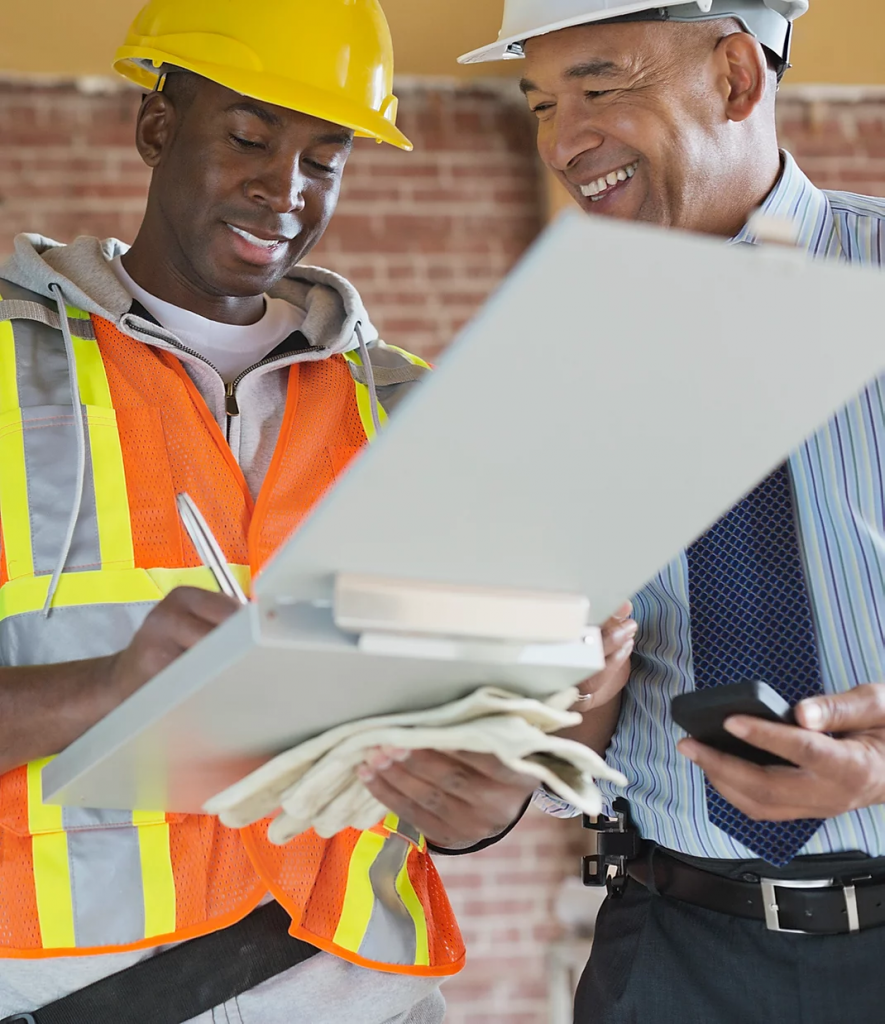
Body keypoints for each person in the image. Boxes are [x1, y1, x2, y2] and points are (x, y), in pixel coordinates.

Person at [0, 1, 553, 1021]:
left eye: (325, 156)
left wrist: (484, 804)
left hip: (361, 994)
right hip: (73, 988)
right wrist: (107, 691)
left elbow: (475, 711)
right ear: (157, 128)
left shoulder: (411, 412)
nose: (283, 190)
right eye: (249, 137)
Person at [461, 2, 885, 1022]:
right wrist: (567, 695)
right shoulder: (543, 367)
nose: (565, 140)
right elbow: (558, 749)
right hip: (672, 950)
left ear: (736, 76)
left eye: (602, 86)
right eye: (543, 104)